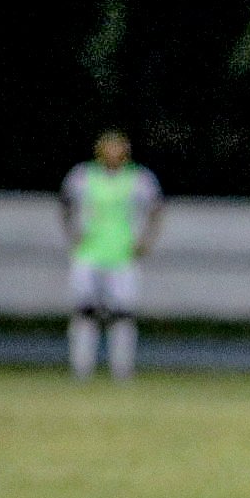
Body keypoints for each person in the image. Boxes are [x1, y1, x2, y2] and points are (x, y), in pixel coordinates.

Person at [61, 130, 162, 380]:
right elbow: (65, 205)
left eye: (118, 148)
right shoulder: (83, 176)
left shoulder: (139, 178)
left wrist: (146, 241)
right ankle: (81, 369)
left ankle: (122, 370)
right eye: (109, 147)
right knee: (85, 312)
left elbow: (156, 209)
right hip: (89, 253)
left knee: (123, 314)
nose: (113, 153)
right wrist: (72, 235)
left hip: (123, 254)